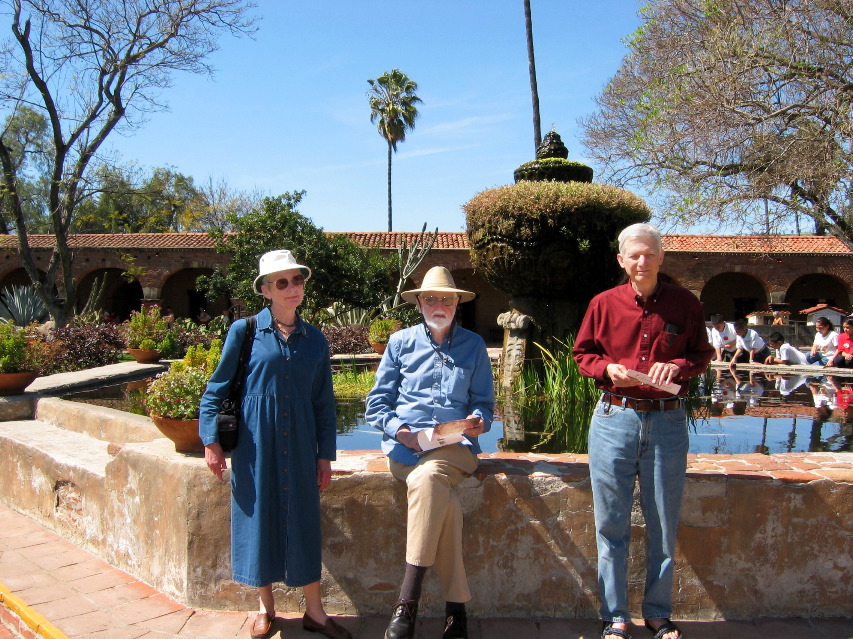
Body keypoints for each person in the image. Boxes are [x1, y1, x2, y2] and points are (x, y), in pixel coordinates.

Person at [199, 250, 351, 639]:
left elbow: (323, 404)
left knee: (303, 521)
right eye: (281, 282)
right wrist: (211, 442)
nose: (291, 288)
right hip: (255, 446)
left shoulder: (315, 340)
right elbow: (217, 388)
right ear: (266, 290)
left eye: (296, 280)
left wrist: (324, 456)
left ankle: (314, 612)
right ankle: (264, 608)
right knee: (257, 520)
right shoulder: (244, 331)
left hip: (300, 444)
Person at [573, 223, 714, 639]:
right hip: (614, 419)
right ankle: (614, 615)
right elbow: (583, 353)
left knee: (663, 523)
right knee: (611, 523)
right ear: (621, 260)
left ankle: (657, 611)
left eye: (649, 254)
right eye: (634, 255)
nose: (642, 261)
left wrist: (680, 366)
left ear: (661, 257)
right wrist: (607, 368)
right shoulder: (603, 304)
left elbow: (702, 353)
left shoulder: (685, 303)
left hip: (668, 420)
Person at [365, 266, 494, 639]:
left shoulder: (473, 345)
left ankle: (407, 600)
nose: (439, 304)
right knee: (444, 502)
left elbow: (485, 404)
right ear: (419, 302)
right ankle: (457, 610)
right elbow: (377, 403)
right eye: (432, 298)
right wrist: (400, 431)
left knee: (430, 475)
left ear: (457, 303)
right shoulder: (400, 343)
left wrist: (477, 421)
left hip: (455, 449)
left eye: (446, 298)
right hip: (406, 451)